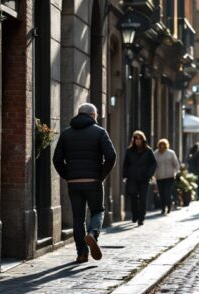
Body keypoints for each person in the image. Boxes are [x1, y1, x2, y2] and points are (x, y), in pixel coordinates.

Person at [53, 103, 116, 263]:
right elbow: (111, 156)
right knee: (97, 211)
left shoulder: (66, 134)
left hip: (74, 182)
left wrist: (68, 176)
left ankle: (82, 253)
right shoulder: (100, 132)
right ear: (93, 116)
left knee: (78, 218)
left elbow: (57, 159)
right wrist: (101, 175)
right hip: (93, 181)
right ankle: (93, 233)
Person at [122, 130, 156, 226]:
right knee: (133, 197)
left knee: (143, 198)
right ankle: (135, 214)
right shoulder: (129, 151)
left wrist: (149, 174)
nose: (137, 140)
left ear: (143, 139)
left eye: (139, 139)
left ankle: (141, 218)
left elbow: (153, 163)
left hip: (144, 178)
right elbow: (126, 164)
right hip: (132, 177)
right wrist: (125, 175)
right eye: (136, 138)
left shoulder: (148, 151)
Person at [154, 138, 180, 215]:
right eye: (160, 145)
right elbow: (154, 166)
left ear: (166, 146)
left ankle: (168, 206)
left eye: (163, 145)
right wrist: (154, 175)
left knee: (167, 192)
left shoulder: (171, 153)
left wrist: (174, 173)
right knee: (162, 193)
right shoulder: (155, 154)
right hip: (159, 177)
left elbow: (176, 164)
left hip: (169, 176)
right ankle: (163, 208)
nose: (162, 147)